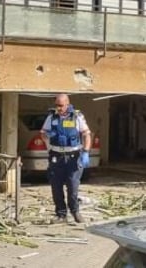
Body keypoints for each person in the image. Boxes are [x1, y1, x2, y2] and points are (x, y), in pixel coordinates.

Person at [40, 94, 92, 224]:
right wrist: (47, 141)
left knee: (72, 186)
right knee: (56, 186)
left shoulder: (77, 117)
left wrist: (86, 152)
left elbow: (86, 134)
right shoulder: (52, 117)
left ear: (67, 104)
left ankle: (75, 212)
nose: (58, 108)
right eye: (57, 105)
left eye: (61, 105)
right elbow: (42, 133)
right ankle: (61, 215)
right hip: (56, 157)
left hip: (73, 157)